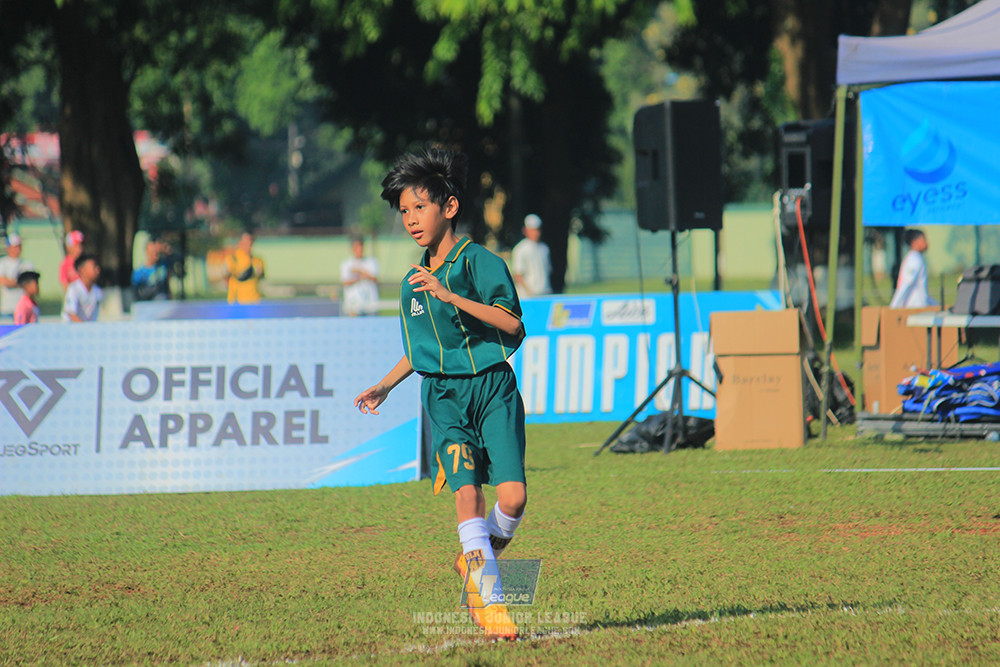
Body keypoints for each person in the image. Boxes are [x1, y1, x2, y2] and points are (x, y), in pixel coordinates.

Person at [354, 147, 526, 640]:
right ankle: (490, 601)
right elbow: (423, 349)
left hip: (494, 389)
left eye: (420, 208)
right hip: (445, 398)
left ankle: (472, 558)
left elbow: (511, 322)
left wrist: (451, 295)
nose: (410, 219)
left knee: (513, 499)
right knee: (467, 493)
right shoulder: (412, 282)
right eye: (404, 211)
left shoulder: (481, 263)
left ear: (449, 207)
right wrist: (386, 385)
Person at [890, 229, 937, 308]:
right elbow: (906, 283)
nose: (926, 243)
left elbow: (920, 289)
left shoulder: (915, 257)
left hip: (919, 306)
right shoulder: (914, 259)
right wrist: (893, 305)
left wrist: (935, 303)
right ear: (914, 242)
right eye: (923, 239)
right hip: (914, 307)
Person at [510, 213, 552, 298]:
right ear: (525, 230)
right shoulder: (520, 249)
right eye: (532, 230)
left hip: (545, 293)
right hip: (527, 297)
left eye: (537, 230)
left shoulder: (544, 248)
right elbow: (518, 275)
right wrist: (530, 293)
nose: (536, 233)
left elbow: (548, 271)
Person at [340, 235, 380, 316]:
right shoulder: (346, 264)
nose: (360, 250)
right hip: (353, 306)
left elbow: (375, 278)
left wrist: (360, 272)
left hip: (370, 305)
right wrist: (358, 277)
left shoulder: (371, 262)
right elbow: (345, 282)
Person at [0, 234, 35, 320]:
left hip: (23, 308)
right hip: (7, 308)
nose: (18, 249)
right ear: (9, 248)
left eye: (19, 246)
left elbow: (31, 285)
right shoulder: (3, 263)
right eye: (15, 246)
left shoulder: (27, 264)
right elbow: (3, 281)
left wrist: (13, 282)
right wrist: (19, 282)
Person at [224, 231, 265, 304]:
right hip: (236, 302)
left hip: (254, 301)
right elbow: (226, 277)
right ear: (239, 244)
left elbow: (261, 277)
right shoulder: (232, 259)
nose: (248, 246)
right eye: (245, 243)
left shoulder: (257, 261)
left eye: (250, 243)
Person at [61, 253, 103, 322]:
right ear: (82, 270)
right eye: (94, 266)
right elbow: (71, 314)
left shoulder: (98, 291)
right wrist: (84, 328)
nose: (97, 270)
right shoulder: (73, 289)